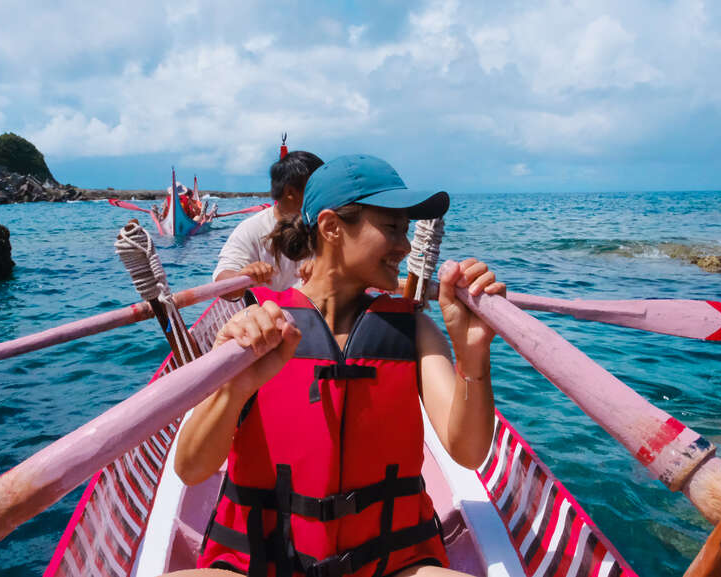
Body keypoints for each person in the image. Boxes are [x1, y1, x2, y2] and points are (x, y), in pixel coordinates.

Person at [171, 154, 504, 577]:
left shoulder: (412, 330)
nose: (405, 246)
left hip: (392, 565)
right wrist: (235, 387)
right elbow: (192, 468)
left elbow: (469, 451)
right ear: (331, 228)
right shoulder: (260, 327)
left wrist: (472, 354)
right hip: (258, 565)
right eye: (391, 228)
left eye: (406, 230)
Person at [213, 151, 323, 297]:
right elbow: (222, 280)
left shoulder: (327, 224)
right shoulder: (252, 228)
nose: (324, 194)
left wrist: (325, 267)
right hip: (270, 313)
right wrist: (243, 277)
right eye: (317, 188)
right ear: (290, 192)